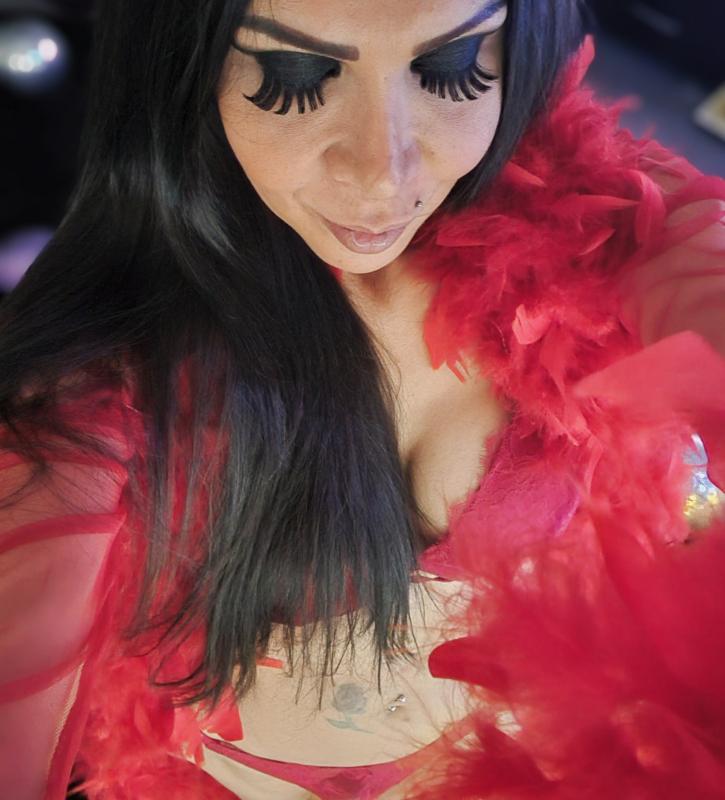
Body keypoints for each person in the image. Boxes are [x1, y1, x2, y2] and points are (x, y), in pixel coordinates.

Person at [1, 1, 724, 798]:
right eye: (293, 74)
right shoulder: (88, 412)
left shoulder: (597, 209)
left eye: (450, 66)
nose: (384, 174)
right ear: (182, 62)